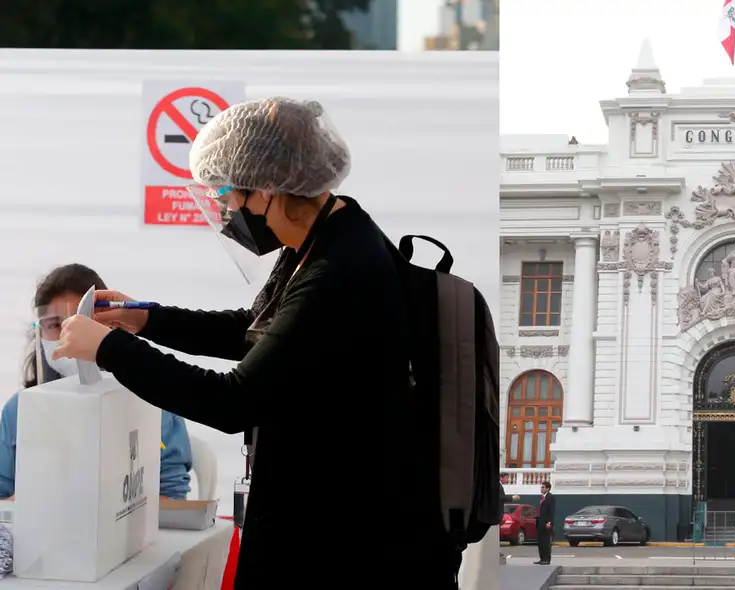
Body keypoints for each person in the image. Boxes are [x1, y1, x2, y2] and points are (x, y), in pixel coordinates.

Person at [50, 98, 440, 588]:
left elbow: (232, 400)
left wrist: (109, 349)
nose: (226, 210)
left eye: (229, 195)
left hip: (340, 538)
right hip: (327, 512)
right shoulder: (327, 233)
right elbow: (256, 330)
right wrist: (144, 318)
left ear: (270, 186)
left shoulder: (340, 269)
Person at [0, 264, 192, 500]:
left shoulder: (151, 402)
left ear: (108, 324)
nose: (67, 334)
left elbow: (172, 496)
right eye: (54, 325)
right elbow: (3, 497)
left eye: (79, 321)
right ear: (39, 332)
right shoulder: (19, 410)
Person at [535, 481, 555, 565]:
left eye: (543, 487)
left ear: (547, 488)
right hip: (540, 522)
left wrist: (549, 522)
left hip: (546, 522)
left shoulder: (550, 497)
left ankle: (547, 559)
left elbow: (552, 511)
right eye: (541, 487)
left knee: (546, 541)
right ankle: (542, 558)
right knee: (540, 541)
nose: (541, 489)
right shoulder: (541, 497)